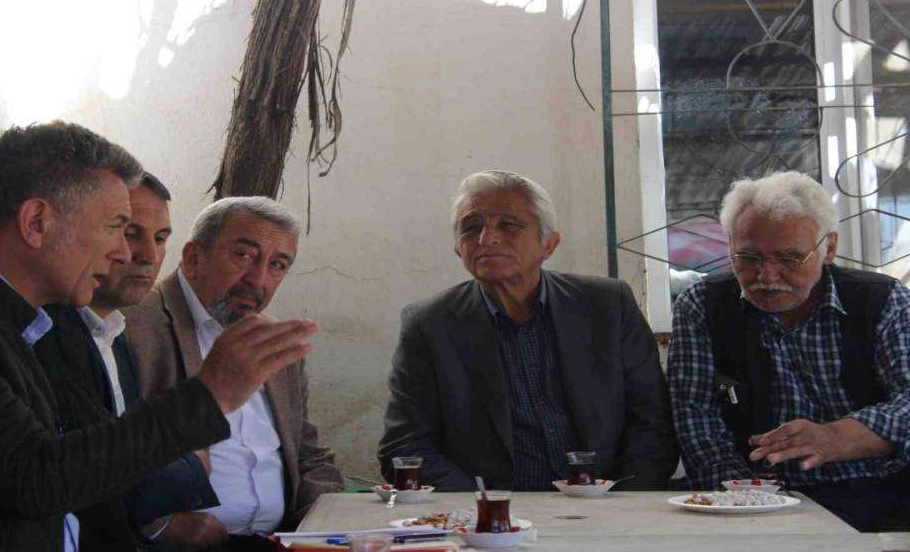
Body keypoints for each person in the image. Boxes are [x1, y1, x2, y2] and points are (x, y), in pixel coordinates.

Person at [0, 122, 318, 552]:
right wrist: (209, 396)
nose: (124, 253)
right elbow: (36, 477)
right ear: (36, 222)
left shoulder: (23, 318)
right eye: (115, 227)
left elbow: (93, 458)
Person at [377, 169, 678, 491]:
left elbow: (652, 422)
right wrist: (485, 506)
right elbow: (404, 447)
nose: (486, 239)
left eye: (508, 225)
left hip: (605, 502)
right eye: (471, 228)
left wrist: (622, 500)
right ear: (458, 249)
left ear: (549, 244)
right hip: (489, 510)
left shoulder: (608, 305)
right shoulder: (429, 325)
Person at [668, 170, 910, 531]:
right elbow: (697, 425)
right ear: (730, 246)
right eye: (748, 257)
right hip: (749, 500)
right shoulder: (701, 306)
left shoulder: (882, 300)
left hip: (882, 492)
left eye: (789, 258)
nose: (766, 276)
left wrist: (835, 437)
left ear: (828, 248)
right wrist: (749, 499)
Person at [125, 196, 344, 551]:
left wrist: (326, 527)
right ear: (193, 258)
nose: (258, 279)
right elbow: (103, 455)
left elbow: (308, 456)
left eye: (277, 265)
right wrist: (157, 527)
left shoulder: (274, 342)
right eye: (243, 255)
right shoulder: (132, 325)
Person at [34, 173, 227, 550]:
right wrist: (160, 519)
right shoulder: (47, 332)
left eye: (160, 238)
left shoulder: (114, 330)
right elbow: (96, 473)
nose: (148, 256)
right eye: (129, 232)